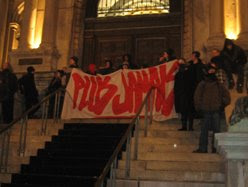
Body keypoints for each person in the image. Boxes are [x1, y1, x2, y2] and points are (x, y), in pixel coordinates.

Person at [193, 65, 231, 153]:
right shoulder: (202, 84)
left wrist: (221, 105)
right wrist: (199, 108)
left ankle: (215, 148)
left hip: (216, 111)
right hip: (206, 111)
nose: (211, 73)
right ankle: (203, 148)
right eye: (210, 71)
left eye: (212, 71)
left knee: (216, 131)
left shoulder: (219, 85)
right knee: (204, 131)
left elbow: (227, 97)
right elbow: (197, 96)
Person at [174, 58, 194, 131]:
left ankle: (184, 126)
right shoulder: (189, 74)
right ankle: (190, 127)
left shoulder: (178, 75)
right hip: (188, 95)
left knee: (184, 112)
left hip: (183, 95)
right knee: (189, 112)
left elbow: (176, 86)